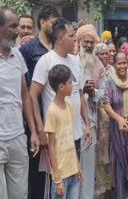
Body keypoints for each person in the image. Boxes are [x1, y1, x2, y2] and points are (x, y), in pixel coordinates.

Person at [29, 17, 92, 197]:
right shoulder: (45, 61)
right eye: (72, 36)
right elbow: (33, 94)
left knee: (73, 182)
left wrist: (86, 124)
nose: (75, 40)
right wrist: (40, 129)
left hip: (75, 135)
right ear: (61, 38)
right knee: (58, 185)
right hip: (55, 138)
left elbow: (79, 94)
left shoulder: (75, 61)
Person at [18, 5, 60, 199]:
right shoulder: (28, 50)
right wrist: (36, 127)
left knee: (57, 172)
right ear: (42, 23)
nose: (56, 27)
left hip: (58, 121)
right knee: (37, 175)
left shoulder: (58, 49)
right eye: (53, 23)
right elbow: (26, 91)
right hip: (36, 122)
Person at [0, 8, 39, 199]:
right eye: (13, 26)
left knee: (20, 195)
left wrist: (32, 131)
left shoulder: (18, 57)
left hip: (17, 138)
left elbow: (25, 96)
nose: (17, 31)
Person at [103, 51, 128, 199]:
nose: (122, 66)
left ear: (127, 64)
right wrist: (119, 119)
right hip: (117, 130)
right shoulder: (110, 82)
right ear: (114, 65)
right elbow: (106, 104)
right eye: (119, 63)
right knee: (118, 168)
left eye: (124, 63)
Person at [75, 23, 104, 199]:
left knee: (87, 165)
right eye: (85, 42)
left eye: (91, 42)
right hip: (71, 120)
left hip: (90, 121)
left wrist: (93, 93)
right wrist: (80, 91)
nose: (88, 45)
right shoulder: (70, 61)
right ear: (78, 42)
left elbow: (103, 93)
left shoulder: (98, 65)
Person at [45, 65, 82, 199]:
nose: (72, 85)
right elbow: (51, 146)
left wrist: (77, 165)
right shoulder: (52, 111)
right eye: (70, 82)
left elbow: (70, 138)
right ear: (61, 86)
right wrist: (57, 179)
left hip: (72, 170)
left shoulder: (69, 106)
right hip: (61, 174)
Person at [93, 43, 114, 198]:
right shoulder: (94, 70)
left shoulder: (112, 70)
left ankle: (110, 184)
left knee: (111, 150)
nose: (106, 56)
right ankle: (101, 187)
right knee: (100, 152)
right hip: (98, 116)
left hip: (112, 116)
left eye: (107, 53)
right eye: (102, 54)